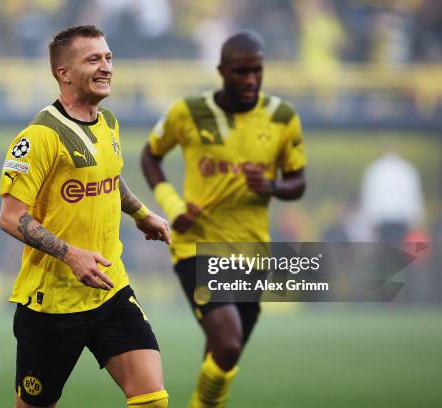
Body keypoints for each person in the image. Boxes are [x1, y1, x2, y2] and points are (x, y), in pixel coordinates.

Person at [0, 25, 171, 408]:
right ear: (64, 73)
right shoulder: (39, 136)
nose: (106, 66)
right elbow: (11, 217)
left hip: (110, 289)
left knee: (153, 399)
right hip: (51, 304)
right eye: (93, 59)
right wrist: (70, 254)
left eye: (108, 57)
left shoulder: (108, 122)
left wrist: (142, 214)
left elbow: (108, 178)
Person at [141, 31, 307, 407]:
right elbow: (150, 156)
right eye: (241, 71)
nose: (250, 79)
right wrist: (173, 206)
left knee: (221, 355)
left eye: (257, 71)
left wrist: (272, 186)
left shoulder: (282, 117)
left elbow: (298, 181)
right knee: (228, 343)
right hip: (196, 248)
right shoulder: (188, 112)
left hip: (252, 252)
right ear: (221, 71)